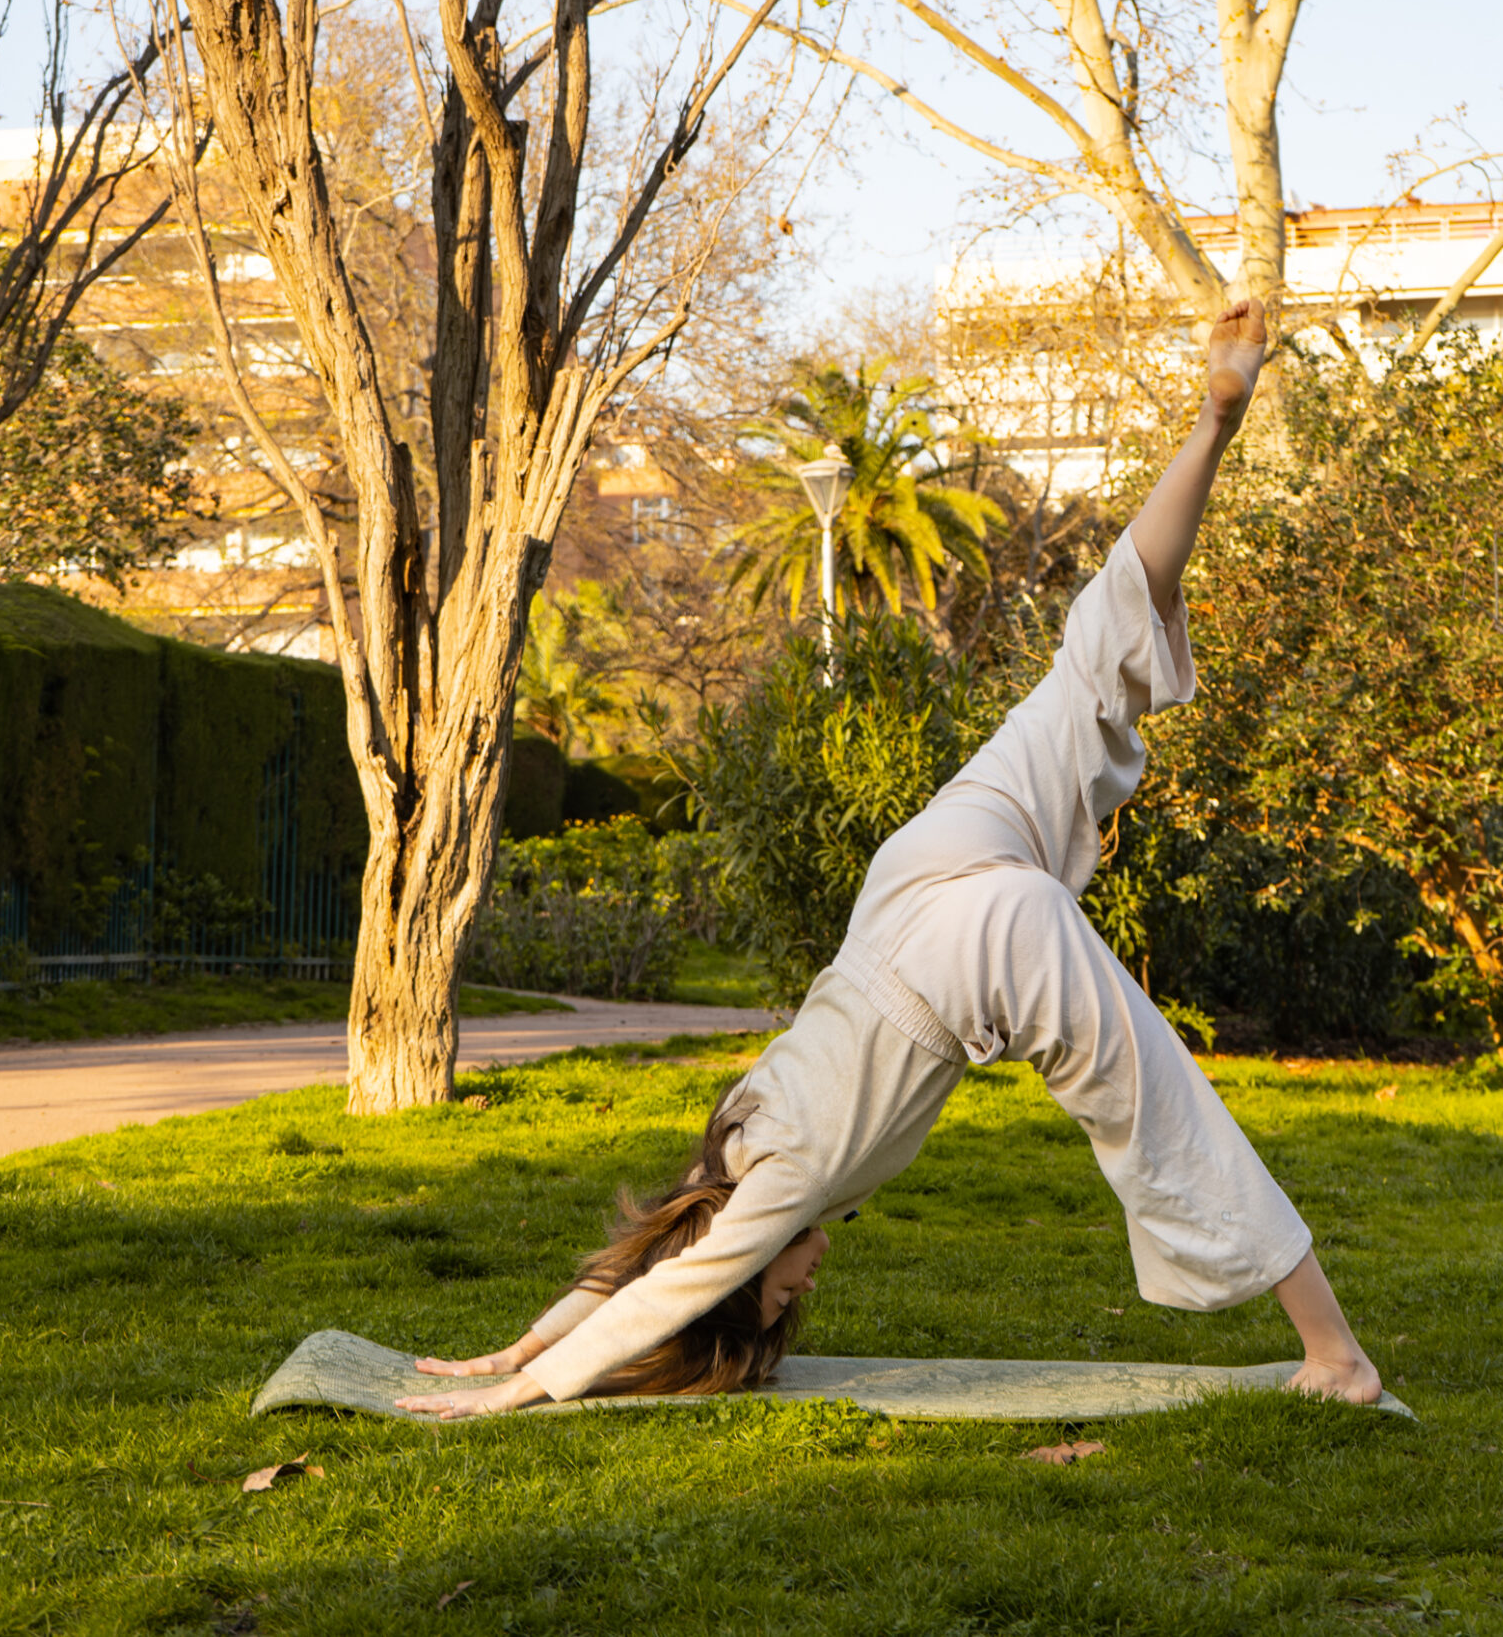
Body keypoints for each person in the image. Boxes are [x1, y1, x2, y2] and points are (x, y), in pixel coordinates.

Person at [399, 299, 1382, 1419]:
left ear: (742, 1274)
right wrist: (520, 1345)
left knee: (1158, 1110)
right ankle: (1212, 421)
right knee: (1089, 662)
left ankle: (1338, 1356)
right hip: (911, 877)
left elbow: (663, 1291)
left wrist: (524, 1384)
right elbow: (649, 1260)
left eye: (776, 1296)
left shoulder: (779, 1187)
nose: (802, 1285)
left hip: (962, 955)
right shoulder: (734, 1138)